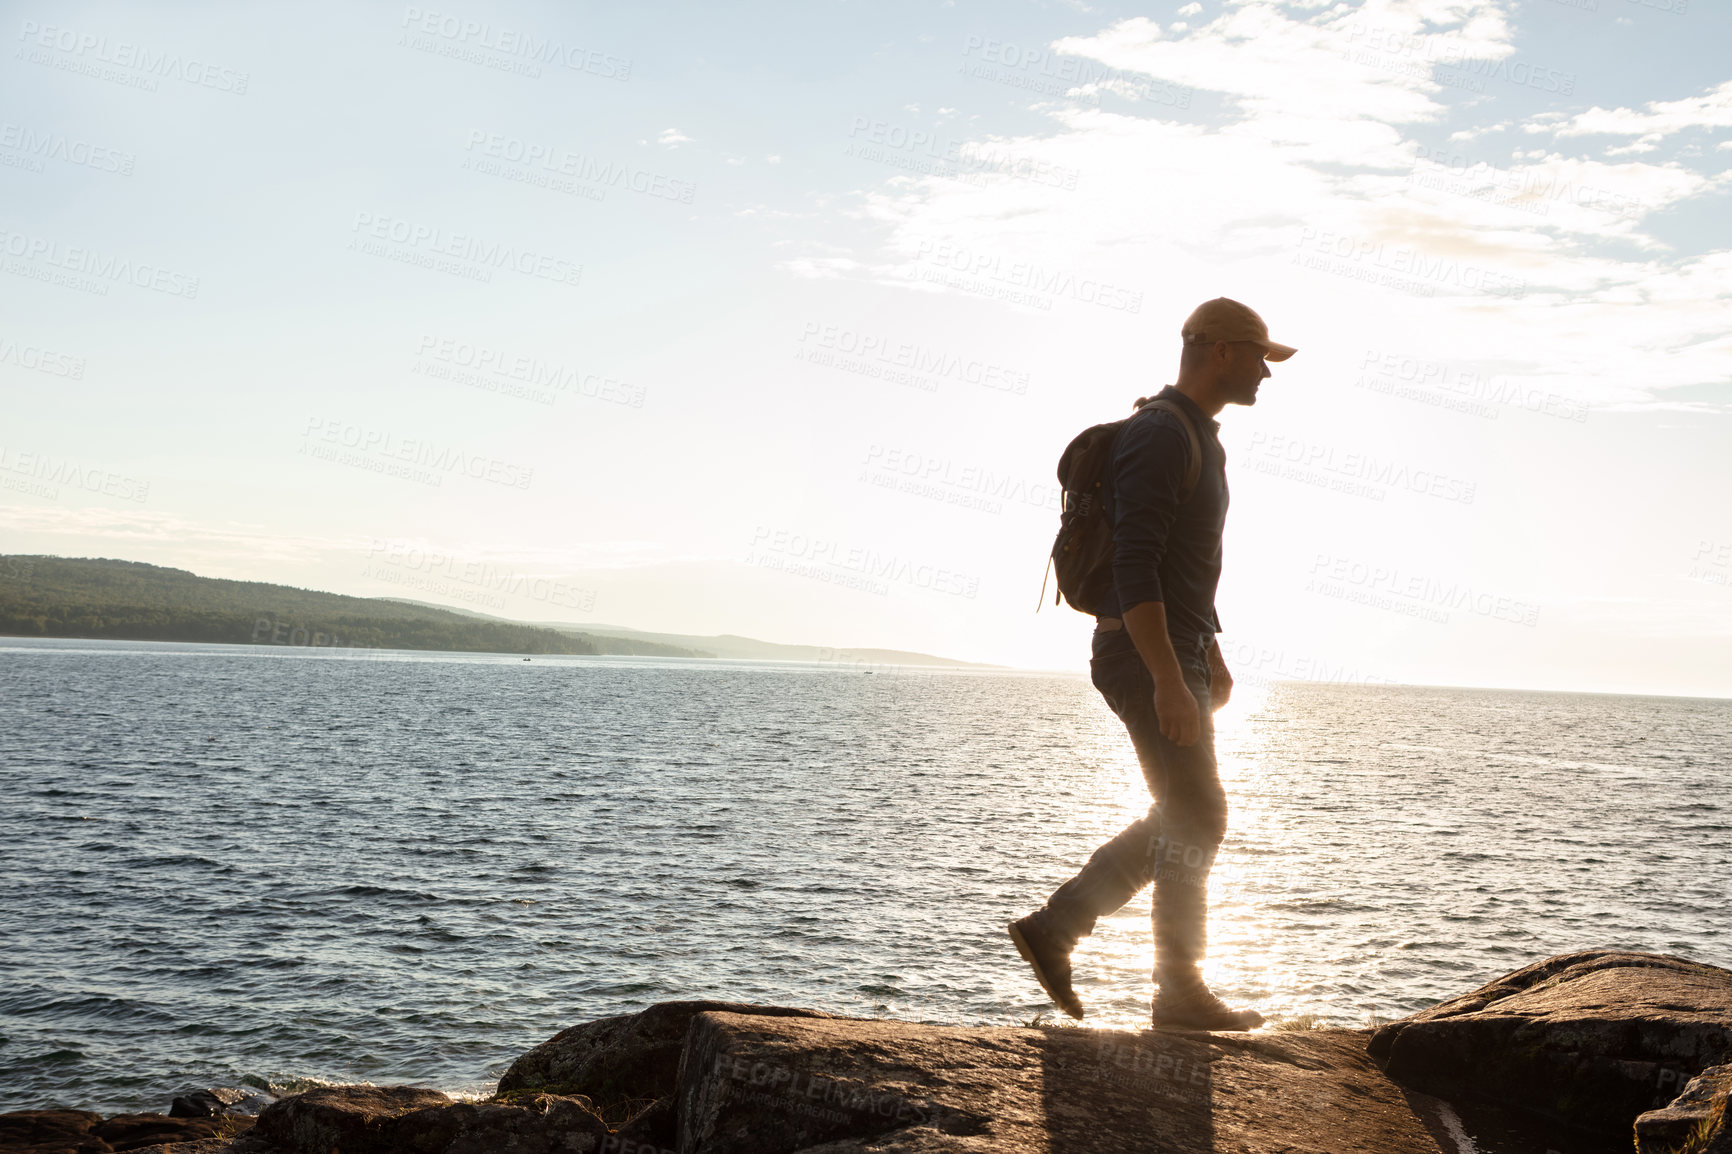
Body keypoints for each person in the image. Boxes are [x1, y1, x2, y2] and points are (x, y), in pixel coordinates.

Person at [1009, 297, 1296, 1031]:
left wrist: (1209, 651)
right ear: (1219, 351)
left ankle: (1059, 928)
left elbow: (1184, 567)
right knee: (1198, 812)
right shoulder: (1162, 436)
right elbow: (1135, 565)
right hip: (1144, 655)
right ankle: (1174, 991)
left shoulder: (1196, 435)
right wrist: (1169, 674)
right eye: (1260, 355)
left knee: (1184, 813)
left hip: (1176, 650)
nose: (1268, 371)